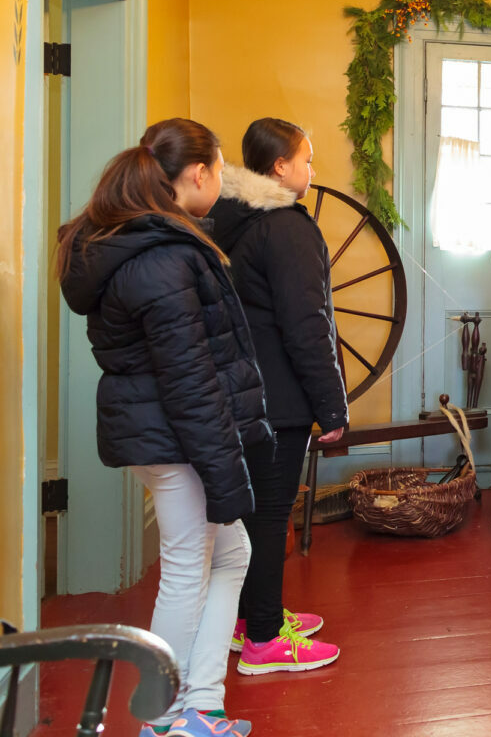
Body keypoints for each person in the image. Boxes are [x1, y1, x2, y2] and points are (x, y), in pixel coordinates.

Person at [57, 118, 267, 737]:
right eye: (221, 171)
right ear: (197, 174)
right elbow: (188, 379)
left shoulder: (127, 243)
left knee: (232, 553)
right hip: (180, 436)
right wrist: (225, 467)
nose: (223, 184)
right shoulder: (164, 257)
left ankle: (200, 703)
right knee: (185, 569)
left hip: (163, 433)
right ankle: (168, 716)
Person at [209, 118, 346, 676]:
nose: (312, 171)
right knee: (270, 517)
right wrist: (331, 405)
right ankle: (265, 640)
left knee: (253, 516)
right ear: (281, 167)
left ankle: (249, 620)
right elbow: (306, 323)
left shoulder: (232, 220)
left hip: (242, 388)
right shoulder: (287, 227)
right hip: (281, 395)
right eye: (307, 160)